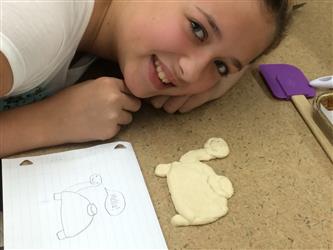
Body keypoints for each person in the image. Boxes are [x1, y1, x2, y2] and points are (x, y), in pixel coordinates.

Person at [0, 0, 294, 157]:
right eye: (198, 30)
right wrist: (50, 121)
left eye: (219, 66)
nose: (191, 74)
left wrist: (229, 73)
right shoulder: (34, 26)